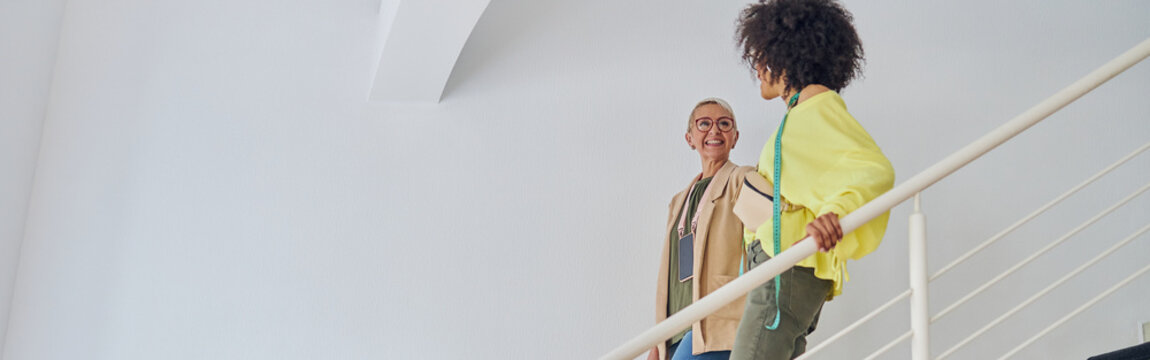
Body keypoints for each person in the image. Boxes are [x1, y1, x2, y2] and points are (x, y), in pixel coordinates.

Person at [729, 1, 895, 359]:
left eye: (764, 55)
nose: (757, 67)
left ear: (786, 56)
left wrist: (836, 212)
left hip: (786, 273)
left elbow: (873, 168)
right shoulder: (802, 114)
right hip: (786, 272)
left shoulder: (817, 110)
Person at [649, 98, 755, 360]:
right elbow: (672, 278)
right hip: (674, 331)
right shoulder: (677, 202)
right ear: (690, 138)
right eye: (704, 123)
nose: (714, 130)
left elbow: (773, 225)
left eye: (724, 124)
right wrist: (656, 342)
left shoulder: (743, 179)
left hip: (717, 322)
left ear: (735, 137)